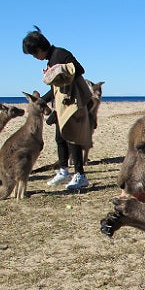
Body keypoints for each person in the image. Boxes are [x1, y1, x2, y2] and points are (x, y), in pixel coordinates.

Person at [22, 27, 91, 190]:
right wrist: (42, 101)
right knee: (60, 138)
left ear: (39, 48)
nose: (35, 57)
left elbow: (79, 69)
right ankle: (64, 171)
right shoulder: (51, 59)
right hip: (62, 106)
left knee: (72, 138)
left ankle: (80, 175)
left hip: (72, 105)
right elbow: (56, 88)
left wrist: (57, 70)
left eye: (34, 54)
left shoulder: (60, 54)